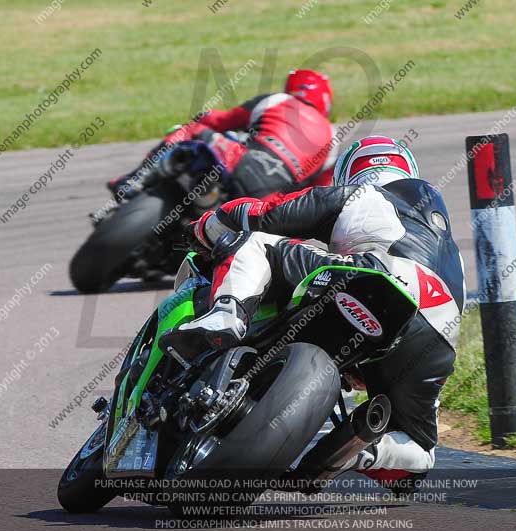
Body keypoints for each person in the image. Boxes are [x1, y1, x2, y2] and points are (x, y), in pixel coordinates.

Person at [160, 135, 466, 491]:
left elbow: (262, 215)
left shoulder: (360, 195)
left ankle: (227, 314)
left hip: (374, 279)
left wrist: (205, 226)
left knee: (251, 242)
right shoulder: (451, 251)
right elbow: (404, 484)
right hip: (438, 334)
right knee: (420, 453)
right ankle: (356, 451)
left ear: (350, 174)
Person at [108, 69, 337, 202]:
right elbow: (319, 187)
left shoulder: (278, 100)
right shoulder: (333, 136)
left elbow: (220, 121)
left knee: (190, 130)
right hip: (274, 197)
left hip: (243, 160)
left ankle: (135, 180)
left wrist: (202, 117)